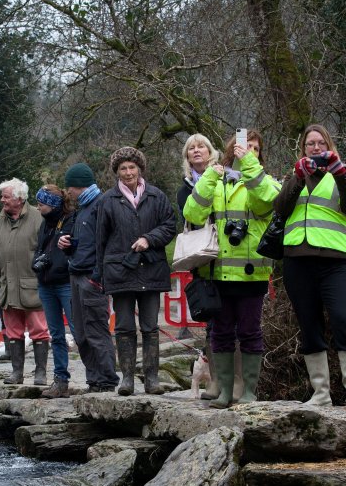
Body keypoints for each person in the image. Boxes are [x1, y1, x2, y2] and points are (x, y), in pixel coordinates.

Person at [273, 123, 346, 408]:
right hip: (297, 262)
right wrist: (298, 177)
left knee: (342, 318)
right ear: (303, 149)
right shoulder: (293, 175)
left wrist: (340, 173)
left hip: (336, 261)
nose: (315, 149)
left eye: (320, 143)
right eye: (310, 144)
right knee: (309, 325)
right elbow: (280, 209)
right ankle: (321, 393)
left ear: (329, 145)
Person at [183, 130, 281, 408]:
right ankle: (225, 391)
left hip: (252, 273)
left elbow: (270, 201)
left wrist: (249, 165)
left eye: (255, 148)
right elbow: (192, 212)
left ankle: (249, 391)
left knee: (250, 331)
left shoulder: (264, 182)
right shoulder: (218, 182)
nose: (249, 151)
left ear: (260, 155)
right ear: (230, 149)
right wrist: (212, 176)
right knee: (222, 332)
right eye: (244, 147)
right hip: (220, 271)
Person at [97, 147, 177, 396]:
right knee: (123, 327)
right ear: (117, 172)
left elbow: (170, 226)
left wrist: (148, 239)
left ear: (140, 169)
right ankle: (128, 379)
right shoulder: (107, 200)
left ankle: (152, 379)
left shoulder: (157, 196)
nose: (128, 172)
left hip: (151, 269)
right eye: (123, 168)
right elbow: (101, 240)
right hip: (120, 271)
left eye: (132, 167)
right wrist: (101, 275)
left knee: (150, 326)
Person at [59, 163, 119, 393]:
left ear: (77, 185)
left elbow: (108, 244)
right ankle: (94, 379)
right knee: (81, 334)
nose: (69, 194)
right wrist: (69, 245)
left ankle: (106, 380)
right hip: (76, 274)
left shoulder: (101, 205)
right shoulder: (83, 209)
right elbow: (86, 244)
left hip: (92, 280)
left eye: (70, 188)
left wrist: (97, 277)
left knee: (96, 331)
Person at [0, 178, 51, 385]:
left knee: (39, 330)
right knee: (12, 330)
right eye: (2, 196)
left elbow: (49, 251)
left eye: (6, 196)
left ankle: (40, 373)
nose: (2, 200)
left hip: (33, 286)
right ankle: (17, 373)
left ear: (19, 199)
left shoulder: (38, 218)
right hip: (8, 287)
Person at [177, 133, 221, 396]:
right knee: (212, 320)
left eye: (201, 146)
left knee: (233, 320)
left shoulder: (226, 176)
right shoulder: (185, 188)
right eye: (191, 148)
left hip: (229, 256)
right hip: (203, 259)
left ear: (210, 151)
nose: (196, 151)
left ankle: (231, 380)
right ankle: (214, 379)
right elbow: (191, 214)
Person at [32, 184, 76, 398]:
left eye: (41, 203)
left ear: (53, 204)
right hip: (46, 284)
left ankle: (96, 379)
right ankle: (60, 380)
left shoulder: (70, 221)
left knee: (78, 330)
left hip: (65, 283)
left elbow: (70, 250)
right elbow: (40, 249)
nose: (38, 206)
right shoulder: (45, 224)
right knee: (56, 335)